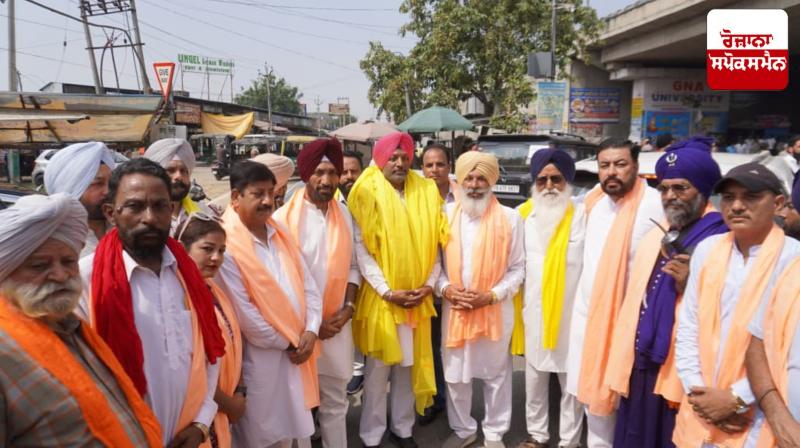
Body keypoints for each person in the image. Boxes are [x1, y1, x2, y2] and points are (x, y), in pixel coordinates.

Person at [79, 158, 226, 447]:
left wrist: (202, 421)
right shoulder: (87, 279)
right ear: (111, 212)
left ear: (171, 210)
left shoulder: (188, 276)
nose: (149, 217)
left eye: (160, 206)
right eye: (135, 206)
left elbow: (209, 353)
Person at [0, 193, 162, 447]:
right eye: (40, 266)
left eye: (68, 261)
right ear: (7, 272)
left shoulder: (72, 327)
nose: (60, 274)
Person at [605, 138, 729, 448]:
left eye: (681, 188)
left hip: (681, 366)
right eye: (664, 188)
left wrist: (692, 285)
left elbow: (734, 312)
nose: (670, 196)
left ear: (702, 189)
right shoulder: (664, 229)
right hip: (646, 357)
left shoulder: (721, 236)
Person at [673, 162, 800, 447]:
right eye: (729, 197)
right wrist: (699, 395)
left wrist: (736, 399)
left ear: (778, 203)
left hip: (759, 414)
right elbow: (689, 326)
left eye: (751, 197)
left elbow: (784, 352)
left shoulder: (792, 260)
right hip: (702, 406)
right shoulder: (708, 249)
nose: (737, 206)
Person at [348, 131, 448, 448]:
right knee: (378, 372)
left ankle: (402, 429)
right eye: (393, 156)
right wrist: (387, 291)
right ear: (380, 159)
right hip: (382, 300)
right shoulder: (366, 192)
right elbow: (361, 250)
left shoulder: (426, 191)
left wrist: (428, 286)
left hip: (418, 300)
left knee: (408, 368)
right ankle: (372, 434)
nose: (400, 162)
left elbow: (436, 247)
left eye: (405, 156)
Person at [566, 138, 665, 447]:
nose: (611, 172)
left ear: (635, 166)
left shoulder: (654, 205)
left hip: (629, 324)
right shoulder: (593, 202)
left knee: (622, 402)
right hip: (588, 319)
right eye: (604, 165)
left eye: (620, 165)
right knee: (591, 398)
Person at [216, 160, 322, 448]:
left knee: (290, 437)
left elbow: (309, 286)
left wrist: (311, 330)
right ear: (235, 198)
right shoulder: (225, 244)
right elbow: (246, 315)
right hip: (261, 360)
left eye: (271, 193)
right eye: (258, 194)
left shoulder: (279, 233)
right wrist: (291, 343)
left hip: (297, 352)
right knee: (260, 438)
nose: (268, 201)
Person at [273, 138, 360, 448]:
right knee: (299, 407)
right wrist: (312, 326)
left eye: (332, 173)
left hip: (337, 326)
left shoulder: (344, 214)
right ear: (306, 174)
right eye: (319, 172)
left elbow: (352, 266)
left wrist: (348, 308)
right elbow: (282, 282)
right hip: (301, 332)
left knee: (336, 403)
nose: (327, 181)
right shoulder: (283, 219)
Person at [436, 152, 524, 448]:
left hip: (495, 309)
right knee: (455, 374)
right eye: (469, 178)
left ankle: (495, 432)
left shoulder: (511, 218)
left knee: (496, 375)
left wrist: (491, 295)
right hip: (456, 308)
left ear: (492, 181)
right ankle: (463, 430)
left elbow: (518, 268)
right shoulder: (444, 215)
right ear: (459, 181)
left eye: (481, 178)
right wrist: (446, 288)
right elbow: (433, 266)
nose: (474, 185)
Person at [516, 149, 586, 448]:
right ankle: (538, 435)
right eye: (542, 179)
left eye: (556, 179)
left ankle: (569, 441)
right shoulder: (522, 216)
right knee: (534, 381)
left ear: (567, 181)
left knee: (571, 385)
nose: (549, 186)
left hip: (572, 317)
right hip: (535, 314)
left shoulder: (583, 216)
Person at [178, 216, 245, 448]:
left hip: (223, 408)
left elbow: (234, 344)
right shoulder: (181, 297)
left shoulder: (212, 289)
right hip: (199, 415)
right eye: (207, 249)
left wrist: (241, 391)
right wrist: (228, 404)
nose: (216, 257)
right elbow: (192, 368)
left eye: (221, 250)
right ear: (182, 249)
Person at [420, 142, 459, 425]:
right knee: (431, 347)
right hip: (428, 287)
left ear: (449, 166)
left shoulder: (462, 197)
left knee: (454, 348)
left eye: (440, 164)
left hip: (458, 287)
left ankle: (459, 402)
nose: (434, 170)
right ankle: (436, 399)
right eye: (429, 165)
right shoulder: (416, 196)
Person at [44, 141, 116, 256]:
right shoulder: (53, 241)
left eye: (111, 183)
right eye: (98, 184)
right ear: (70, 188)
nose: (108, 191)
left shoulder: (124, 230)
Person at [144, 138, 215, 236]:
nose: (179, 176)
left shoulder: (204, 214)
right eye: (170, 170)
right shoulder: (144, 219)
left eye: (183, 171)